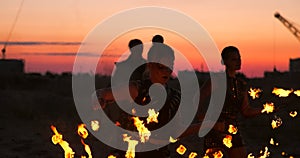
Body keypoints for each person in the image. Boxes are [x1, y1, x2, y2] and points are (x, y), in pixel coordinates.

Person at [97, 43, 181, 158]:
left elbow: (177, 131)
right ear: (150, 65)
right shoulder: (138, 90)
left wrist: (207, 125)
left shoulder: (175, 96)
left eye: (169, 66)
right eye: (161, 66)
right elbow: (104, 93)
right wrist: (99, 99)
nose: (166, 71)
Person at [198, 46, 262, 158]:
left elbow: (246, 111)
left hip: (233, 128)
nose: (238, 62)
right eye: (234, 59)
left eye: (239, 58)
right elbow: (197, 100)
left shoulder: (241, 85)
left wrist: (265, 109)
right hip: (216, 129)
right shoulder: (217, 80)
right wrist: (207, 121)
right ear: (224, 61)